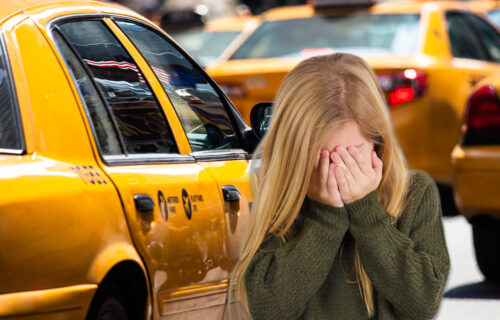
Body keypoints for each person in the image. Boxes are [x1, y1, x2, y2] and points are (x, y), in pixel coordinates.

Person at [228, 53, 450, 319]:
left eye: (350, 155)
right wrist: (324, 219)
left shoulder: (413, 193)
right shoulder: (282, 200)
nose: (337, 170)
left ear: (378, 144)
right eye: (323, 157)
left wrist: (368, 214)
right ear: (295, 154)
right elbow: (270, 309)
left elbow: (423, 304)